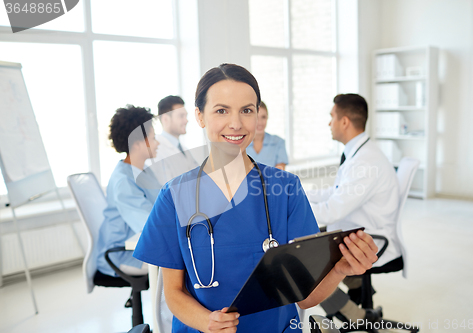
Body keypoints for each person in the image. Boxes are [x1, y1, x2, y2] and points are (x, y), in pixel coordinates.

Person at [133, 64, 378, 333]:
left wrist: (340, 269)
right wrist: (206, 322)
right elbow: (174, 293)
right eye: (221, 110)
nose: (236, 123)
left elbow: (306, 297)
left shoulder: (286, 188)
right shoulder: (174, 195)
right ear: (200, 116)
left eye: (247, 110)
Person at [306, 93, 400, 322]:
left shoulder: (365, 162)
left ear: (345, 121)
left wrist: (293, 208)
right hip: (356, 231)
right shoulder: (359, 153)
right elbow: (335, 193)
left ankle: (357, 315)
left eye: (332, 117)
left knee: (302, 263)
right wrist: (301, 195)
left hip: (369, 240)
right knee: (308, 242)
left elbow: (332, 210)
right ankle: (358, 286)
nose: (329, 123)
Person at [96, 105, 161, 277]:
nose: (158, 143)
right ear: (138, 144)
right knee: (183, 265)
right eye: (153, 138)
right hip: (123, 255)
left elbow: (162, 205)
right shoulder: (123, 180)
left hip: (139, 245)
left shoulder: (143, 171)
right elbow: (149, 224)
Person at [151, 95, 199, 185]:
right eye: (181, 116)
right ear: (165, 119)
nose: (186, 120)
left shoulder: (184, 149)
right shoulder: (157, 151)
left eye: (186, 116)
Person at [246, 101, 288, 170]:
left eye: (263, 117)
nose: (260, 122)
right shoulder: (241, 144)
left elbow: (279, 174)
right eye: (256, 118)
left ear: (267, 118)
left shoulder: (278, 142)